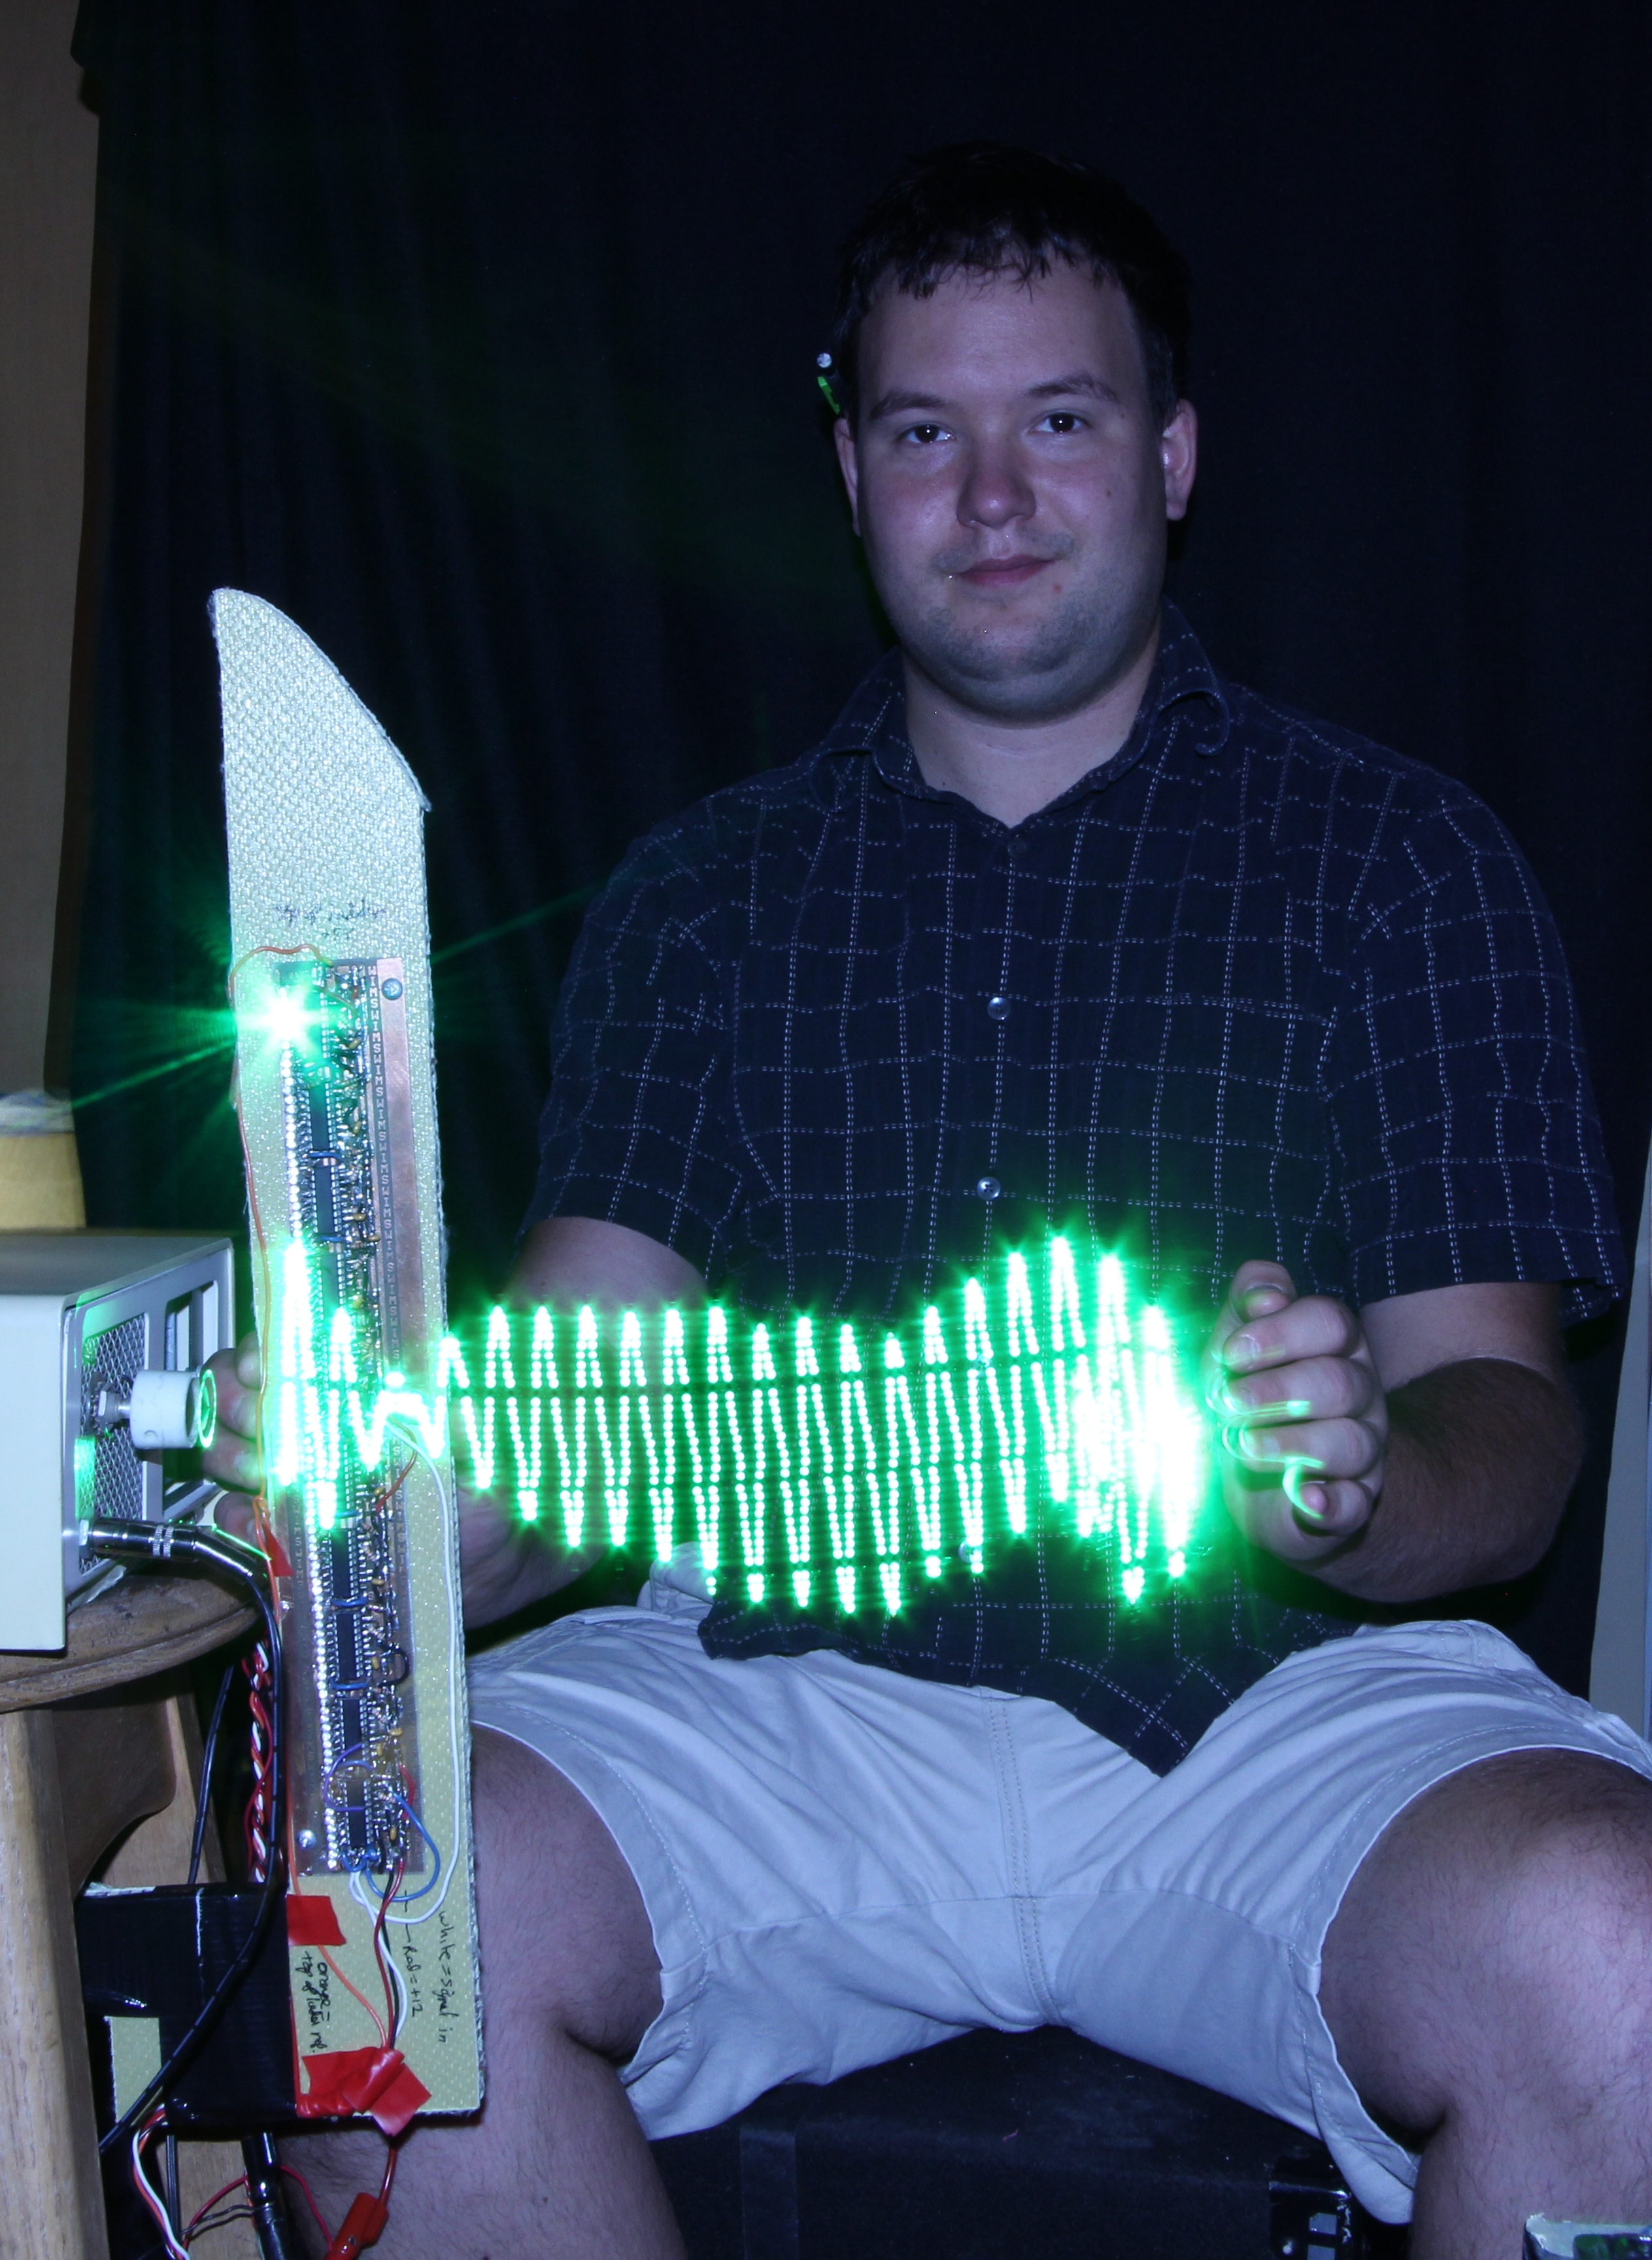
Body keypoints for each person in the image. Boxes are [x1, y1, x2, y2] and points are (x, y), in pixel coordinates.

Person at [209, 143, 1651, 2260]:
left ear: (1170, 454)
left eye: (1058, 419)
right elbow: (566, 1402)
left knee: (1622, 1958)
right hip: (787, 1698)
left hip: (1282, 1701)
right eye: (921, 433)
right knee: (378, 1933)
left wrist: (1356, 1483)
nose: (989, 496)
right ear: (850, 469)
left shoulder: (1402, 864)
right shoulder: (703, 898)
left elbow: (1510, 1439)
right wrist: (402, 1492)